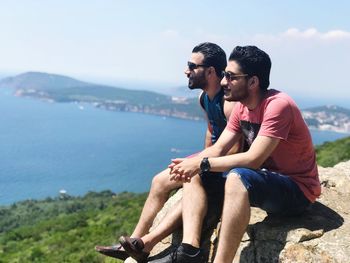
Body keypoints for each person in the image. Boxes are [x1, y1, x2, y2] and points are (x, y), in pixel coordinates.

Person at [151, 45, 321, 263]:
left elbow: (253, 159)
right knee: (195, 173)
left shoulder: (278, 106)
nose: (223, 82)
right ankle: (189, 250)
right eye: (224, 76)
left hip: (297, 191)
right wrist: (190, 163)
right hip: (266, 181)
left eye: (231, 77)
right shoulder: (241, 106)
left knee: (236, 176)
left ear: (253, 82)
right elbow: (218, 148)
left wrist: (202, 163)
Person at [95, 42, 239, 262]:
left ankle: (176, 248)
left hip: (227, 168)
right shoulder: (204, 99)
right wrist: (198, 159)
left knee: (191, 177)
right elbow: (211, 133)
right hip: (210, 160)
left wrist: (200, 166)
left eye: (192, 66)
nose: (186, 70)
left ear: (210, 71)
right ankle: (134, 242)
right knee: (159, 181)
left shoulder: (228, 103)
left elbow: (237, 149)